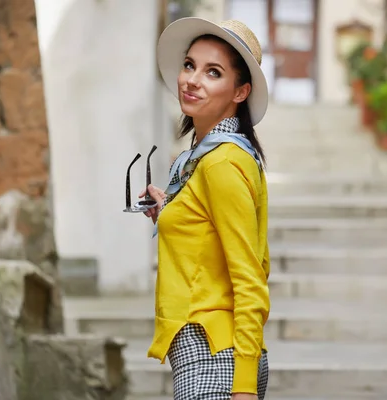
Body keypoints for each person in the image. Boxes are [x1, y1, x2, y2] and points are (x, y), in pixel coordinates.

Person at [139, 17, 271, 400]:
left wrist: (243, 388)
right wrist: (171, 211)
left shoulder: (221, 164)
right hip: (207, 350)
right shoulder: (207, 159)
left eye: (213, 72)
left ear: (240, 91)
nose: (192, 79)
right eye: (189, 65)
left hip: (218, 359)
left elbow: (250, 280)